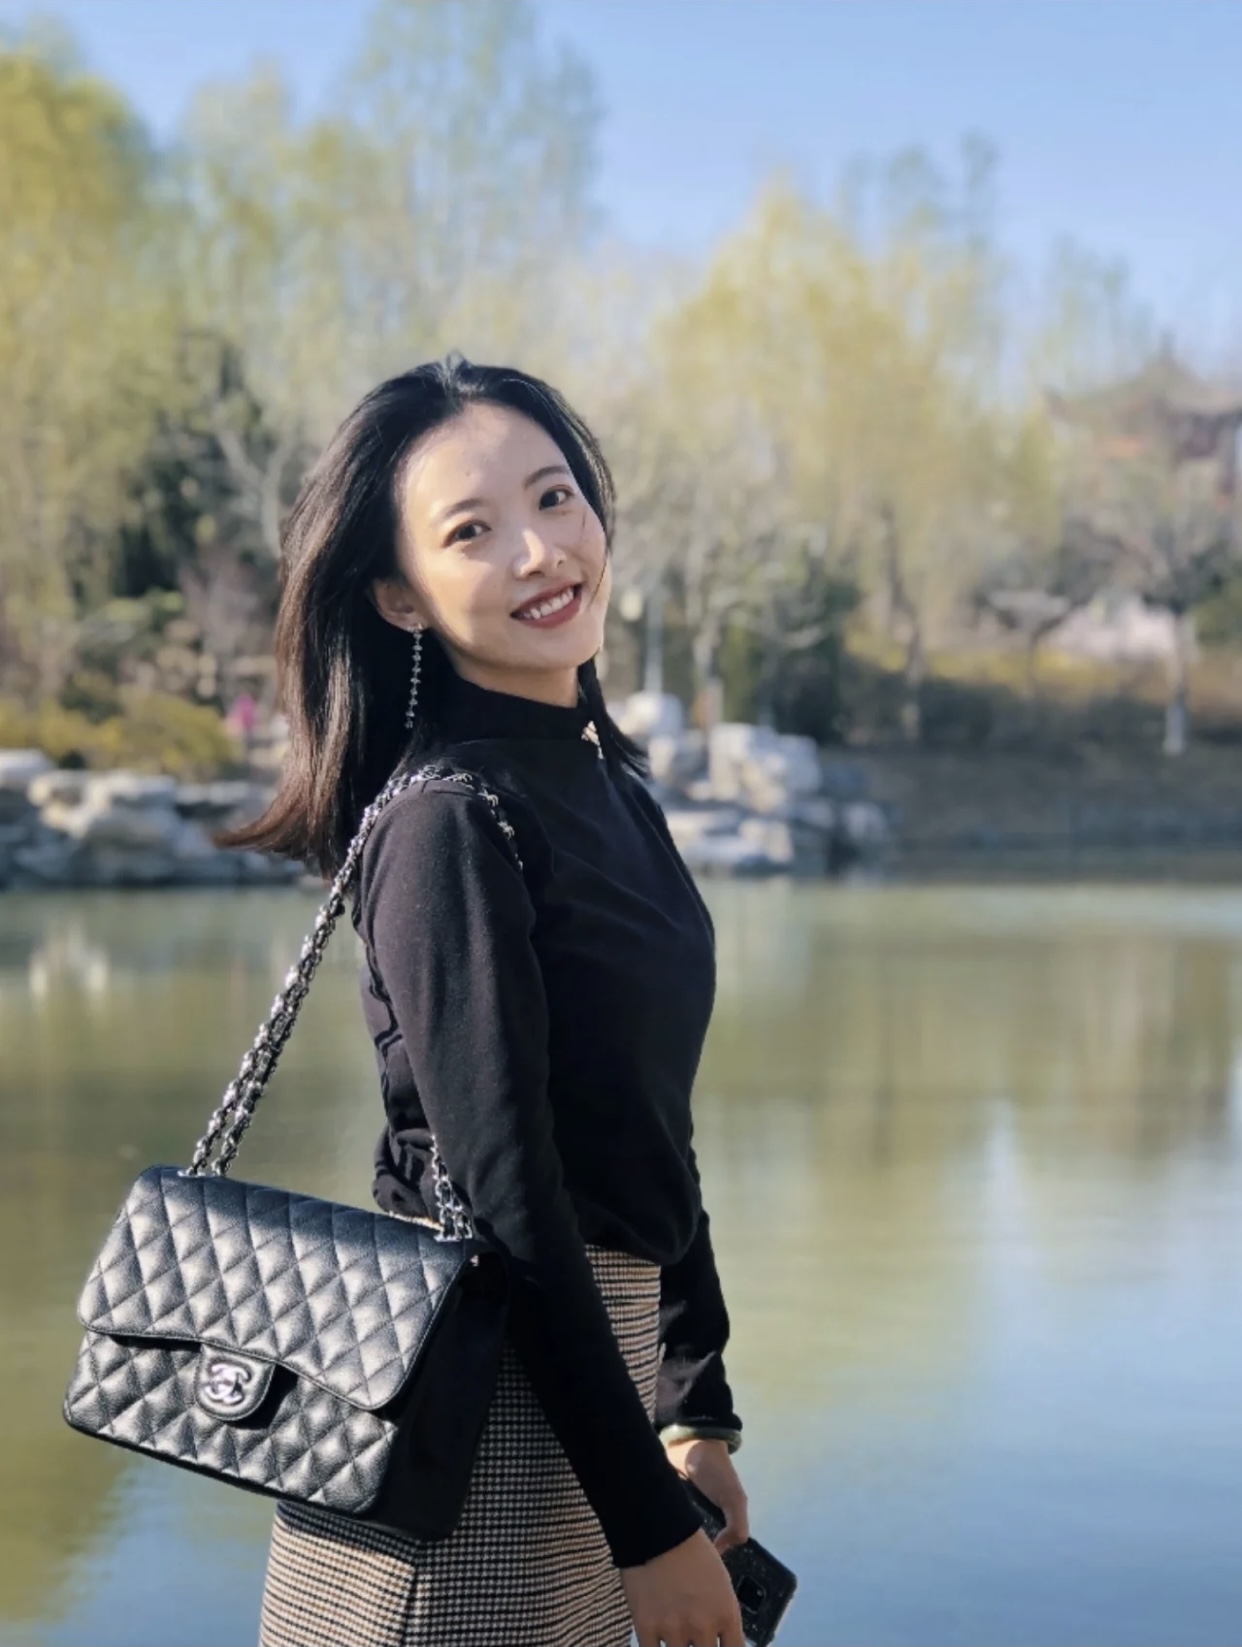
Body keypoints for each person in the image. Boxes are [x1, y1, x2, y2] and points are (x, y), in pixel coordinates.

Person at [224, 355, 749, 1647]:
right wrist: (646, 1525)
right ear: (399, 595)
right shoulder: (449, 822)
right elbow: (506, 1197)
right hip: (472, 1422)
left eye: (555, 497)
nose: (539, 551)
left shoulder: (612, 792)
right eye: (472, 531)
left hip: (600, 1396)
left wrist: (694, 1403)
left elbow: (649, 1124)